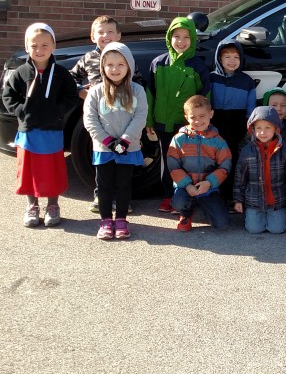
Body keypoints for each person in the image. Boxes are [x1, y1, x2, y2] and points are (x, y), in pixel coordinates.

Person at [1, 23, 80, 228]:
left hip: (52, 131)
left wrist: (57, 112)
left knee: (52, 170)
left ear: (53, 46)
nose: (39, 50)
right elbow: (8, 97)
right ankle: (32, 205)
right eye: (34, 45)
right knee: (29, 170)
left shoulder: (62, 74)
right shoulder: (20, 73)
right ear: (27, 47)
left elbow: (71, 97)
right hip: (28, 132)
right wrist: (21, 111)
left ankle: (53, 205)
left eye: (45, 45)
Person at [82, 42, 148, 240]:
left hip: (128, 148)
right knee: (104, 186)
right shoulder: (95, 91)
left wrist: (126, 141)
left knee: (123, 185)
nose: (115, 69)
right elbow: (90, 119)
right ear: (103, 67)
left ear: (129, 65)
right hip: (104, 148)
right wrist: (108, 141)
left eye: (121, 64)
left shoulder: (137, 91)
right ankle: (105, 221)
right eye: (110, 65)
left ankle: (120, 219)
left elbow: (140, 117)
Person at [146, 16, 211, 214]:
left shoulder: (198, 67)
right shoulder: (158, 63)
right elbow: (150, 93)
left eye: (186, 37)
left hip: (187, 125)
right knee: (168, 162)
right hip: (162, 123)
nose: (181, 41)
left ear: (193, 39)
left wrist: (203, 121)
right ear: (169, 38)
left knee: (187, 162)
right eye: (176, 36)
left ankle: (183, 197)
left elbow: (205, 96)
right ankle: (168, 196)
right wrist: (149, 120)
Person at [68, 15, 125, 215]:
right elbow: (70, 78)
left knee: (121, 157)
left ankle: (121, 197)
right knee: (101, 158)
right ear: (93, 37)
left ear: (118, 35)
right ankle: (101, 195)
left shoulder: (124, 56)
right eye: (100, 32)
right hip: (98, 118)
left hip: (121, 118)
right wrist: (80, 91)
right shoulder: (88, 58)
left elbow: (138, 82)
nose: (106, 36)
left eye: (110, 32)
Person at [167, 95, 232, 231]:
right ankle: (185, 213)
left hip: (209, 187)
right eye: (193, 117)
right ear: (186, 117)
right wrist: (187, 185)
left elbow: (225, 165)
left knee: (222, 224)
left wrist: (209, 183)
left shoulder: (218, 141)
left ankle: (206, 205)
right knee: (179, 201)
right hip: (185, 187)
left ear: (211, 114)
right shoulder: (179, 139)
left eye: (202, 116)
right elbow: (173, 166)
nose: (198, 121)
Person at [232, 106, 286, 234]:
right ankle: (255, 216)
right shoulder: (247, 151)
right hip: (254, 201)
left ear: (276, 128)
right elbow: (239, 178)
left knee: (277, 229)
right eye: (259, 128)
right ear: (253, 130)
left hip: (277, 201)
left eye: (267, 128)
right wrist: (238, 200)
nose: (263, 132)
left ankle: (278, 216)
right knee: (254, 229)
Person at [208, 38, 257, 205]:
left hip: (237, 126)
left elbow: (251, 109)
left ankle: (231, 196)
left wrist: (250, 127)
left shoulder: (246, 81)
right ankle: (214, 194)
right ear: (219, 59)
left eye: (236, 57)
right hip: (215, 125)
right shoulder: (211, 78)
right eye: (227, 56)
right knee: (214, 159)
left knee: (232, 159)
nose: (232, 61)